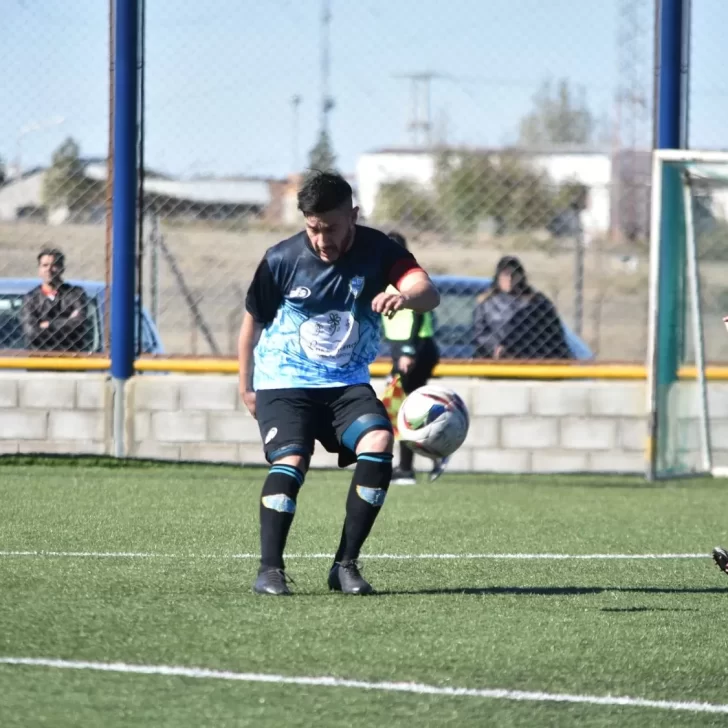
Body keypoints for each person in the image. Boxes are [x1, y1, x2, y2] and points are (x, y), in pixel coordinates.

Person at [239, 171, 440, 596]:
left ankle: (345, 565)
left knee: (379, 442)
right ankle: (270, 570)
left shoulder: (380, 250)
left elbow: (426, 290)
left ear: (353, 215)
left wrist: (404, 296)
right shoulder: (281, 258)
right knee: (292, 462)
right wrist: (246, 386)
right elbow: (251, 324)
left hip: (345, 383)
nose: (322, 239)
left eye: (331, 227)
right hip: (283, 382)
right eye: (313, 228)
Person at [382, 231, 445, 486]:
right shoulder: (386, 278)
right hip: (404, 350)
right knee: (401, 407)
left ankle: (408, 468)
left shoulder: (406, 279)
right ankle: (430, 457)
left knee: (402, 409)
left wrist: (406, 352)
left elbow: (416, 314)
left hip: (416, 350)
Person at [473, 255, 570, 360]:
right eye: (505, 274)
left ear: (520, 276)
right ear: (498, 277)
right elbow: (480, 333)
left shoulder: (536, 302)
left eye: (513, 274)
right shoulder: (486, 302)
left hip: (531, 357)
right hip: (496, 359)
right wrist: (495, 348)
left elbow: (552, 333)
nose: (509, 279)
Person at [20, 248, 90, 352]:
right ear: (39, 269)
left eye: (54, 265)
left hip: (72, 360)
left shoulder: (76, 294)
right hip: (39, 361)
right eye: (45, 265)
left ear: (62, 268)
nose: (49, 269)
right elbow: (31, 332)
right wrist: (67, 321)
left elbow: (79, 323)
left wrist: (48, 325)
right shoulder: (31, 298)